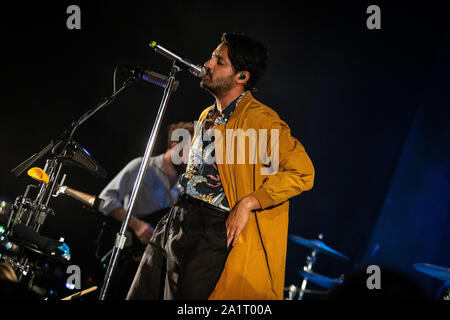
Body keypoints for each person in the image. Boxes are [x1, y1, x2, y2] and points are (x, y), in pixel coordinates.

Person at [127, 32, 314, 300]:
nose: (208, 63)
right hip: (177, 219)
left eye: (219, 60)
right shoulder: (207, 114)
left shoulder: (261, 120)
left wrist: (249, 202)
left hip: (211, 230)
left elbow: (303, 172)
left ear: (242, 77)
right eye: (212, 57)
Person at [98, 121, 194, 299]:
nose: (192, 157)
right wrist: (136, 224)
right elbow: (105, 199)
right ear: (176, 144)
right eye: (190, 150)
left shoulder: (185, 186)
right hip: (124, 253)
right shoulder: (142, 166)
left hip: (151, 263)